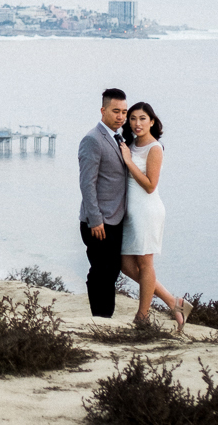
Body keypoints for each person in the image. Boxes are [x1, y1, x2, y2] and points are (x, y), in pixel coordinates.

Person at [117, 101, 193, 331]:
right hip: (130, 214)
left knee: (145, 262)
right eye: (133, 118)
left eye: (142, 118)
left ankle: (142, 315)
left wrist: (129, 161)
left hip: (147, 211)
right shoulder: (129, 143)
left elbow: (150, 185)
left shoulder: (154, 148)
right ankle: (174, 302)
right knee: (125, 265)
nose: (137, 123)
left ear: (152, 121)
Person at [78, 87, 130, 317]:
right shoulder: (92, 140)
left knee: (112, 270)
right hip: (98, 221)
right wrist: (95, 219)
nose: (120, 116)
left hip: (116, 218)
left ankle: (105, 316)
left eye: (124, 112)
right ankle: (100, 317)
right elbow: (87, 183)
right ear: (103, 110)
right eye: (116, 111)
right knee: (100, 271)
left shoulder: (120, 138)